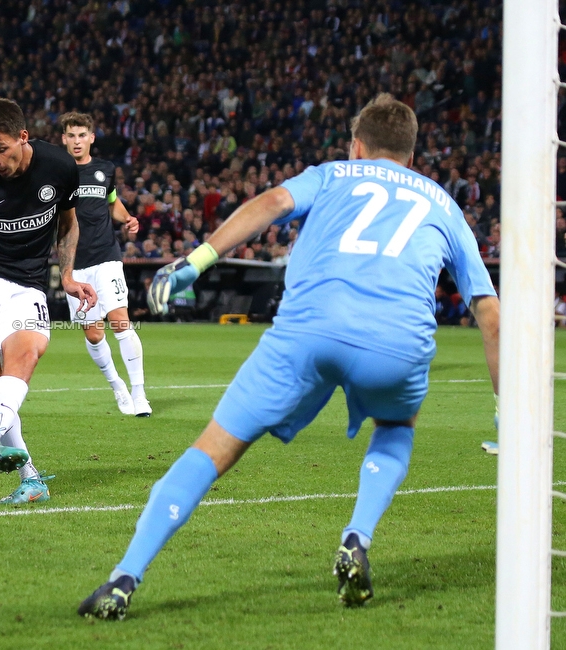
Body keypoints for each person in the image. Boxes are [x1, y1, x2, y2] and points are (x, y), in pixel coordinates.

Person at [78, 95, 501, 619]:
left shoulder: (333, 173)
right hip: (398, 344)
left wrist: (196, 261)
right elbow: (490, 315)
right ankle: (357, 535)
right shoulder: (443, 204)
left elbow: (273, 203)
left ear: (357, 145)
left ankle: (124, 577)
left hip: (309, 329)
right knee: (396, 425)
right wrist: (505, 410)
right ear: (411, 157)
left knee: (213, 450)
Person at [0, 96, 96, 504]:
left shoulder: (60, 168)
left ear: (23, 137)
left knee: (25, 357)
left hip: (28, 283)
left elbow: (68, 223)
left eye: (1, 149)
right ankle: (30, 478)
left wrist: (66, 275)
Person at [59, 111, 150, 417]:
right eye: (71, 135)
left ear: (92, 138)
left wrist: (128, 219)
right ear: (63, 139)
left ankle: (139, 393)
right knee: (94, 334)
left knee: (121, 320)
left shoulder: (105, 170)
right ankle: (117, 385)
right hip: (75, 262)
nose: (76, 141)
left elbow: (111, 202)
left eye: (82, 135)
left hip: (106, 256)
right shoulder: (56, 172)